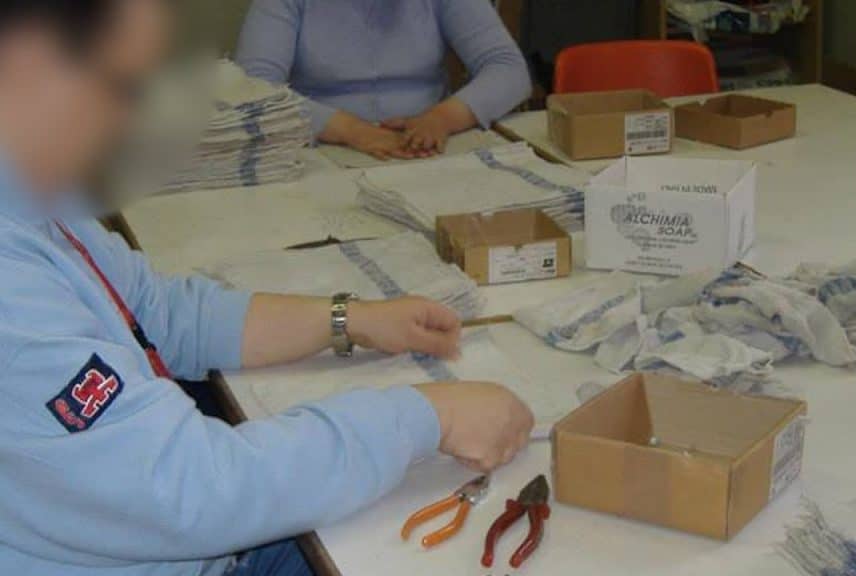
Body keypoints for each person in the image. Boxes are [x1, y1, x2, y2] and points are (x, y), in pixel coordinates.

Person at [0, 1, 534, 575]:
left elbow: (165, 314)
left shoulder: (32, 190)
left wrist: (348, 320)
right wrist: (429, 417)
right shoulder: (14, 288)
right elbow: (196, 489)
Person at [236, 0, 532, 160]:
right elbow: (251, 89)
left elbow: (509, 69)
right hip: (321, 150)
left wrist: (442, 119)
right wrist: (349, 130)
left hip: (430, 148)